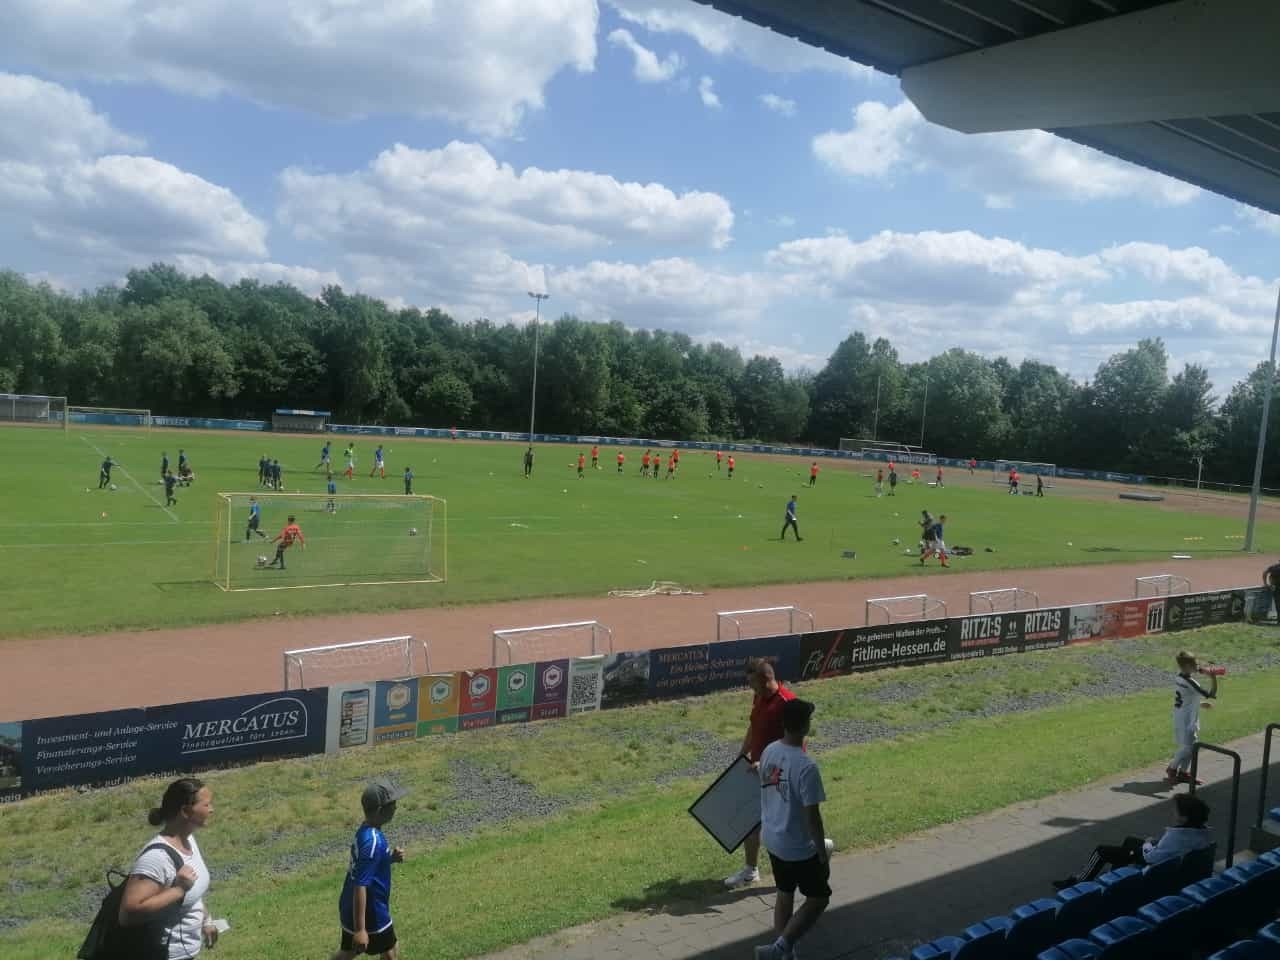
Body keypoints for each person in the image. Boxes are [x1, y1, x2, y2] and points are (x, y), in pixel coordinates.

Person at [754, 699, 830, 960]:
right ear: (806, 726)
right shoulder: (806, 766)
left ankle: (785, 954)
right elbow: (813, 819)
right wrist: (821, 853)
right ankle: (778, 950)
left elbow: (766, 781)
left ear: (783, 724)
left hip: (772, 838)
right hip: (797, 847)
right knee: (819, 899)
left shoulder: (769, 751)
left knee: (785, 894)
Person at [120, 777, 218, 959]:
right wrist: (179, 890)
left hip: (187, 953)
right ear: (186, 811)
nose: (212, 809)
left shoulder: (189, 841)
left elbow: (193, 894)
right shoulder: (156, 857)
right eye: (206, 805)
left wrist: (206, 920)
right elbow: (128, 915)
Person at [724, 658, 796, 889]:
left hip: (779, 776)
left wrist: (766, 763)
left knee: (783, 827)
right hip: (757, 772)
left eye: (753, 684)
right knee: (751, 822)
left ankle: (815, 852)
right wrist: (741, 754)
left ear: (766, 680)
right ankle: (751, 871)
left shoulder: (787, 702)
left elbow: (796, 745)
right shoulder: (759, 697)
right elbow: (754, 727)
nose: (751, 689)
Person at [1053, 793, 1212, 889]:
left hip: (1155, 865)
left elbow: (1150, 857)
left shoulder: (1176, 836)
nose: (1172, 812)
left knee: (1102, 851)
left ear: (1184, 818)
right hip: (1171, 863)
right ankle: (1114, 877)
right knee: (1129, 842)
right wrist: (1155, 843)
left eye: (1175, 811)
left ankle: (1080, 880)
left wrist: (1148, 843)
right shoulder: (1201, 832)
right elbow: (1172, 848)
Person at [334, 778, 408, 960]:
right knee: (390, 951)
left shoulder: (365, 831)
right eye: (392, 804)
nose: (396, 807)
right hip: (371, 911)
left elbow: (366, 866)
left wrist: (389, 859)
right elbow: (361, 884)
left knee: (348, 952)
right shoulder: (373, 841)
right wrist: (360, 929)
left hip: (349, 906)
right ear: (380, 811)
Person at [1166, 651, 1220, 786]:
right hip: (1186, 719)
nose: (1198, 666)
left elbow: (1187, 698)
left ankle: (1183, 773)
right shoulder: (1190, 682)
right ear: (1186, 666)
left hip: (1183, 715)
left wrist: (1200, 704)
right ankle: (1172, 768)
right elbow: (1212, 694)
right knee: (1187, 747)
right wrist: (1213, 677)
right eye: (1195, 664)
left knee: (1191, 747)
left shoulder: (1179, 677)